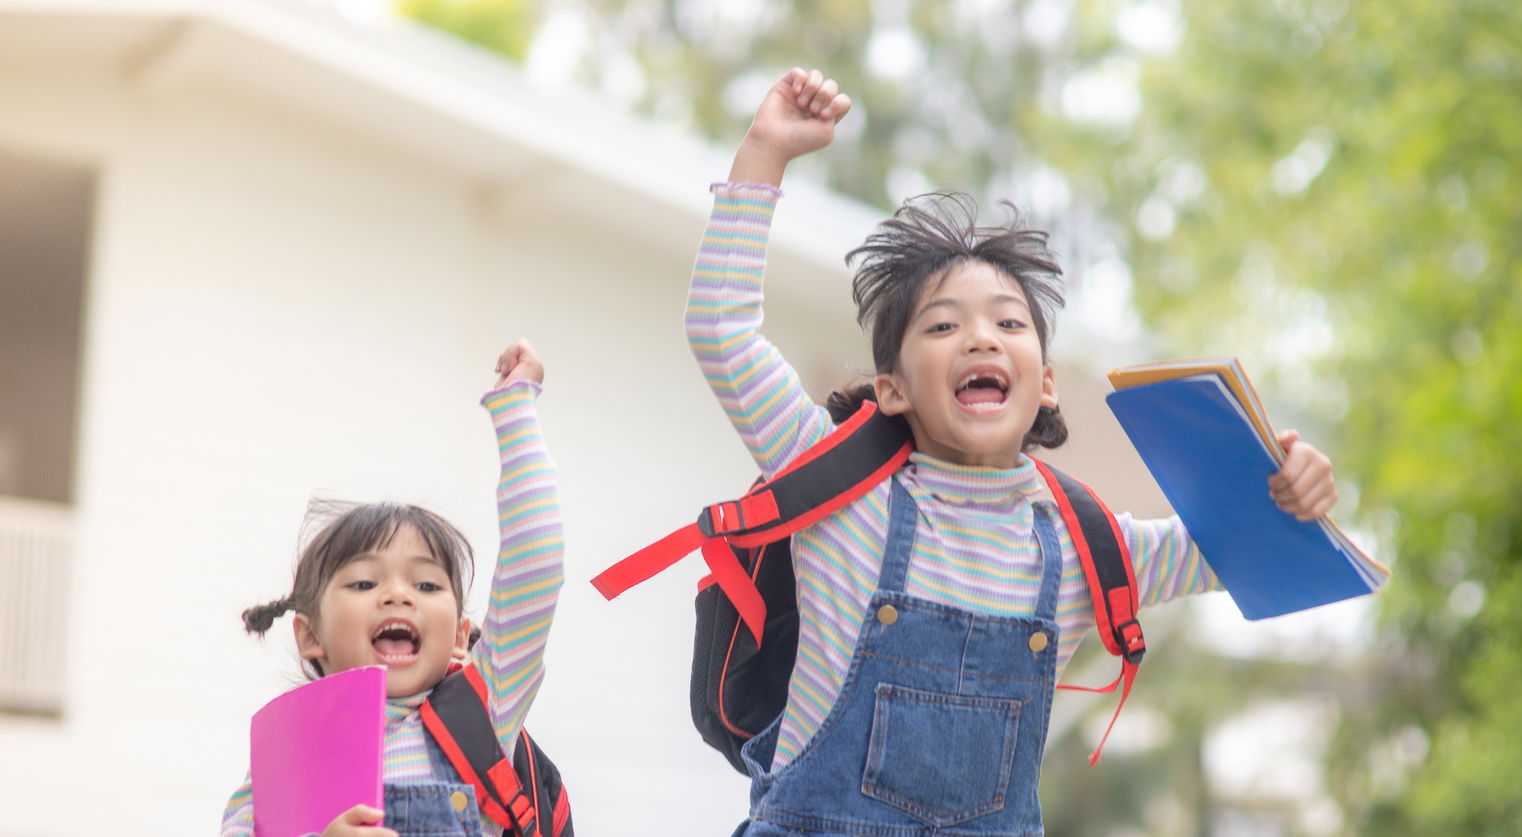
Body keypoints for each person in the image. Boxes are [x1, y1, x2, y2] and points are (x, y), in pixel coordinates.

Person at [686, 68, 1337, 836]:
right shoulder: (839, 487)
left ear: (1048, 384)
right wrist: (765, 152)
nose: (981, 336)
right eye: (942, 326)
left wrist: (1294, 483)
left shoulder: (1085, 543)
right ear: (891, 388)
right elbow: (722, 332)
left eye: (1008, 323)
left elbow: (1240, 544)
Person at [221, 339, 565, 837]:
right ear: (309, 634)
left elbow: (537, 562)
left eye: (426, 583)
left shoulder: (486, 704)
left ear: (459, 636)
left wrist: (515, 413)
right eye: (364, 582)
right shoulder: (288, 753)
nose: (398, 594)